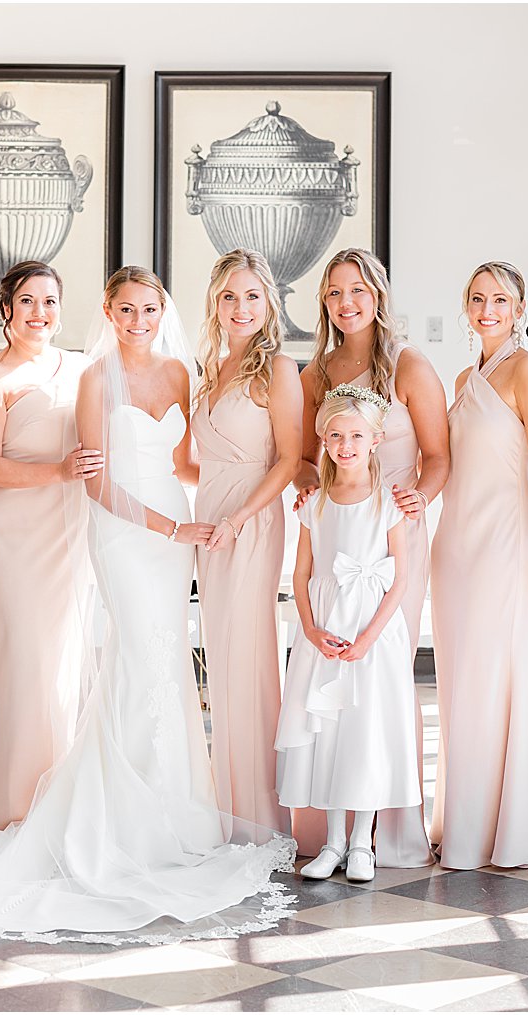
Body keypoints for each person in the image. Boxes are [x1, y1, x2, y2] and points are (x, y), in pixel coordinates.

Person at [0, 266, 296, 943]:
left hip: (177, 531)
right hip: (126, 531)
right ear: (109, 313)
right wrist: (172, 526)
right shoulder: (95, 379)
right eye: (126, 309)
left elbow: (182, 463)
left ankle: (177, 812)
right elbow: (97, 482)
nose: (139, 320)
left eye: (149, 309)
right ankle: (118, 816)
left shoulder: (180, 375)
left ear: (162, 311)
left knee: (169, 662)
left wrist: (233, 497)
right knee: (139, 662)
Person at [295, 248, 446, 867]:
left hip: (393, 539)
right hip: (337, 540)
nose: (346, 303)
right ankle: (333, 829)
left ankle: (388, 829)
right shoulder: (318, 372)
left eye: (356, 290)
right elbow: (308, 455)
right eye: (334, 293)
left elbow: (438, 456)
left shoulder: (408, 366)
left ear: (378, 296)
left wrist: (416, 500)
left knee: (383, 672)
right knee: (335, 673)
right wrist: (309, 484)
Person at [429, 262, 528, 871]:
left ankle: (500, 827)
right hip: (455, 545)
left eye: (500, 300)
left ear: (519, 309)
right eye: (477, 298)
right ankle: (462, 817)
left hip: (504, 543)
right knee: (460, 680)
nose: (487, 308)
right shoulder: (465, 376)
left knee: (496, 674)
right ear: (466, 308)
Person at [0, 260, 98, 830]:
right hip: (14, 536)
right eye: (28, 302)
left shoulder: (86, 368)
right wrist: (59, 472)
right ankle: (14, 807)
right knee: (23, 663)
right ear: (6, 310)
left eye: (50, 301)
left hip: (73, 533)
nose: (40, 313)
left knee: (65, 665)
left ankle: (63, 802)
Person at [276, 385, 423, 883]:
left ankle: (363, 842)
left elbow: (400, 578)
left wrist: (368, 639)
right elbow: (300, 575)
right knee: (331, 733)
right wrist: (312, 631)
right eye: (335, 435)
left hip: (372, 636)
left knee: (366, 731)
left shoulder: (388, 503)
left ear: (375, 439)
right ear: (323, 439)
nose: (345, 446)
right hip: (326, 635)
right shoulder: (313, 504)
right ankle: (333, 841)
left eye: (356, 435)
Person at [192, 249, 301, 840]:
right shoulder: (208, 368)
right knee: (221, 660)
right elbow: (197, 463)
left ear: (269, 303)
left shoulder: (277, 370)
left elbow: (287, 460)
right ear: (215, 302)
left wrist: (237, 516)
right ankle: (226, 804)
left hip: (252, 520)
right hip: (211, 519)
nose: (241, 307)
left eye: (252, 296)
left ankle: (260, 817)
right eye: (230, 296)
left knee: (248, 656)